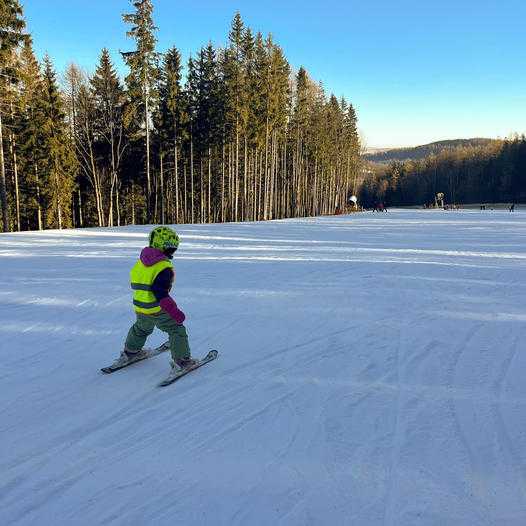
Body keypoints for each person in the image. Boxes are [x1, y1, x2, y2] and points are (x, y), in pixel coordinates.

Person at [121, 226, 196, 371]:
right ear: (160, 246)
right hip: (156, 308)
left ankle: (130, 352)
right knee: (176, 329)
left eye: (174, 249)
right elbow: (160, 293)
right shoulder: (163, 267)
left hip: (140, 307)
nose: (172, 252)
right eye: (170, 249)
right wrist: (175, 312)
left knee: (141, 329)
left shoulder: (141, 263)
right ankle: (182, 361)